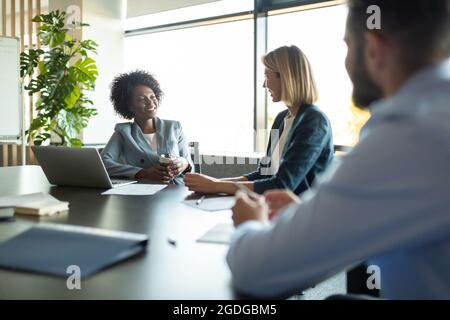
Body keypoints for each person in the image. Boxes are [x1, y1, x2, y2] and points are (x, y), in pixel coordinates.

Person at [227, 0, 450, 299]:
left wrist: (250, 222)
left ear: (373, 47)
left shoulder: (406, 136)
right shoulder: (433, 117)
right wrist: (312, 215)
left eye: (347, 47)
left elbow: (252, 269)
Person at [185, 46, 334, 195]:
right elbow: (265, 173)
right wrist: (214, 183)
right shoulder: (281, 119)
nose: (264, 84)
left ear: (285, 77)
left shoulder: (315, 121)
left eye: (267, 76)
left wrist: (215, 186)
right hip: (275, 207)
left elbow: (282, 185)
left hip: (302, 213)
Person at [101, 70, 193, 184]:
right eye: (141, 99)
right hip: (143, 192)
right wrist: (142, 173)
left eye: (152, 96)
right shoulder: (123, 132)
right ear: (129, 106)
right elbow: (103, 163)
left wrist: (184, 164)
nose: (150, 102)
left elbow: (189, 166)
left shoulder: (174, 127)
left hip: (176, 190)